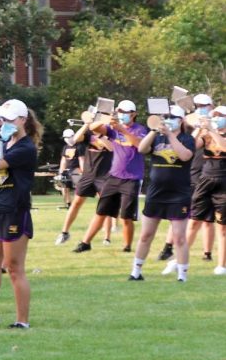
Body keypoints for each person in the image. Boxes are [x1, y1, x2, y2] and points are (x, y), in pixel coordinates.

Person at [0, 100, 40, 329]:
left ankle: (22, 320)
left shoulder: (25, 147)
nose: (5, 123)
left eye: (10, 119)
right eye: (3, 119)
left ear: (23, 120)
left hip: (15, 211)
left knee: (14, 268)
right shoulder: (4, 143)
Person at [128, 106, 195, 281]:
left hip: (179, 194)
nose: (167, 119)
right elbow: (142, 149)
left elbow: (185, 156)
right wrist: (153, 130)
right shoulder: (157, 137)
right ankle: (136, 271)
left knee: (179, 238)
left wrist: (171, 135)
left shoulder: (187, 139)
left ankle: (182, 275)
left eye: (171, 117)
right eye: (165, 116)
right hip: (156, 193)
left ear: (180, 120)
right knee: (146, 235)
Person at [73, 100, 148, 253]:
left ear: (133, 114)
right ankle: (85, 243)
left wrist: (122, 129)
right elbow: (94, 128)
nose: (122, 115)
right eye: (120, 112)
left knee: (126, 216)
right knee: (101, 211)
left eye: (125, 112)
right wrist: (106, 119)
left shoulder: (140, 129)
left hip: (132, 178)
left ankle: (126, 247)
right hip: (114, 176)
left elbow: (139, 145)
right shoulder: (113, 129)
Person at [178, 105, 226, 275]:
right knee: (194, 221)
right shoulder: (206, 133)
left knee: (222, 226)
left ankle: (222, 265)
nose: (217, 118)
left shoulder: (214, 133)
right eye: (216, 116)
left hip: (224, 181)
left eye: (221, 116)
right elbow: (192, 147)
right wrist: (199, 129)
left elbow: (224, 146)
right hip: (205, 179)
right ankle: (179, 261)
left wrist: (211, 130)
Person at [56, 112, 115, 245]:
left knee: (104, 206)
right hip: (88, 174)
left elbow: (111, 148)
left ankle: (107, 238)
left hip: (104, 175)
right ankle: (64, 232)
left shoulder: (111, 132)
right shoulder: (88, 133)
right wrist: (87, 124)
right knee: (76, 203)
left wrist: (100, 136)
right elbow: (75, 139)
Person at [57, 128, 83, 209]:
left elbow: (81, 159)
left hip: (76, 169)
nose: (67, 139)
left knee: (78, 188)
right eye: (65, 137)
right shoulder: (65, 147)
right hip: (67, 170)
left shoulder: (79, 146)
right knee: (64, 187)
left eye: (69, 137)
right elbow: (63, 160)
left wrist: (82, 171)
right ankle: (69, 204)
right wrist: (61, 172)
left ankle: (76, 204)